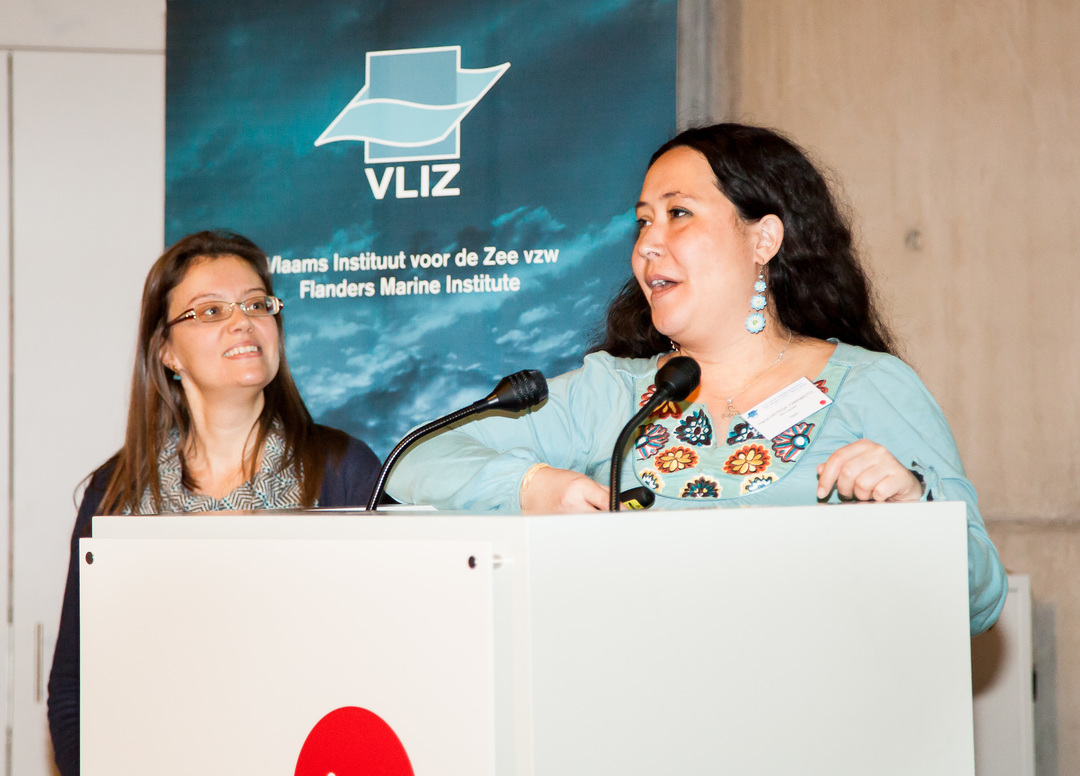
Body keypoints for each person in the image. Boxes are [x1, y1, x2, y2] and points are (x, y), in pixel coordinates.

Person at [386, 123, 1007, 635]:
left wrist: (914, 509)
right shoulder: (617, 393)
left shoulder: (872, 387)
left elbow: (981, 602)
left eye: (678, 214)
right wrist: (531, 486)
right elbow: (419, 457)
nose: (647, 246)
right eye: (642, 222)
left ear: (763, 237)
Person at [47, 230, 381, 776]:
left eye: (256, 304)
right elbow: (74, 684)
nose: (242, 321)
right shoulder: (116, 493)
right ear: (167, 352)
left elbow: (390, 657)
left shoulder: (344, 470)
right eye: (210, 311)